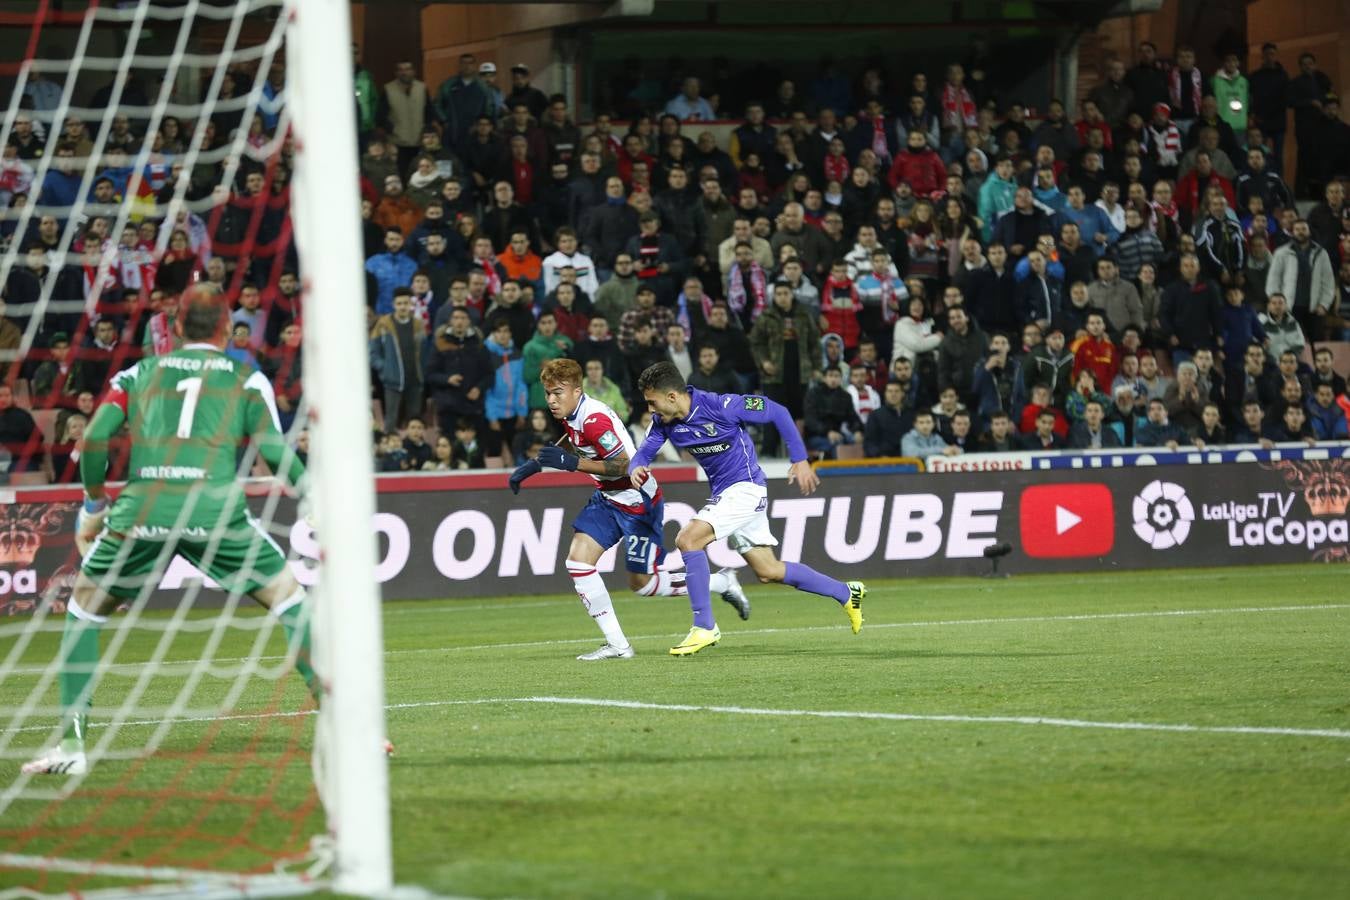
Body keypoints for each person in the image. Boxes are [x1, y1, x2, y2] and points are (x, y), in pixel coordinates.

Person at [23, 287, 316, 776]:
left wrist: (94, 505)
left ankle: (72, 747)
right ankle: (349, 729)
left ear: (176, 329)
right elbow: (273, 451)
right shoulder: (247, 379)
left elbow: (93, 437)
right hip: (215, 511)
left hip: (144, 510)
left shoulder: (137, 374)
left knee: (83, 611)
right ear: (227, 329)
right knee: (291, 603)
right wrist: (312, 497)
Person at [509, 359, 747, 660]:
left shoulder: (595, 419)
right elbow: (576, 441)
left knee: (643, 585)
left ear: (577, 391)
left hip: (637, 501)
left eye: (557, 393)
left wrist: (572, 464)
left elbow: (625, 464)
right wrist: (535, 465)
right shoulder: (573, 414)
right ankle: (619, 646)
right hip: (608, 498)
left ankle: (721, 582)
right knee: (578, 563)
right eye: (548, 394)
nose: (551, 400)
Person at [629, 362, 865, 656]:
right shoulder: (663, 421)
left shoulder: (722, 406)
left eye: (652, 402)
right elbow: (644, 451)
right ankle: (846, 592)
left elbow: (778, 411)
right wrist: (637, 466)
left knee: (688, 539)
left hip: (746, 489)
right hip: (727, 495)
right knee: (768, 570)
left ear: (673, 396)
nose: (650, 408)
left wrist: (800, 459)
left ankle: (704, 626)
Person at [369, 288, 427, 433]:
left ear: (410, 305)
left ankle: (412, 445)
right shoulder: (383, 324)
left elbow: (425, 351)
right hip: (392, 380)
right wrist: (385, 368)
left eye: (405, 303)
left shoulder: (418, 324)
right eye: (399, 303)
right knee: (391, 419)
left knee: (414, 420)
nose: (402, 307)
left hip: (415, 379)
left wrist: (423, 372)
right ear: (393, 305)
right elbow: (373, 352)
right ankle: (388, 444)